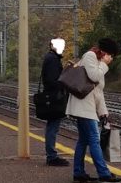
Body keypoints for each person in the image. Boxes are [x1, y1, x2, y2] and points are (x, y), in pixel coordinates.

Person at [66, 38, 121, 182]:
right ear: (106, 52)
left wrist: (103, 111)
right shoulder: (90, 56)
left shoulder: (96, 59)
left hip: (88, 106)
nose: (111, 59)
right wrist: (104, 64)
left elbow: (98, 91)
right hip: (83, 106)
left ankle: (78, 173)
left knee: (83, 140)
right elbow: (94, 76)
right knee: (94, 139)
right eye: (111, 56)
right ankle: (104, 174)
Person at [41, 37, 69, 166]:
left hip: (52, 97)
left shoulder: (51, 58)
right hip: (54, 98)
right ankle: (51, 156)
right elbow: (53, 81)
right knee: (53, 127)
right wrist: (65, 81)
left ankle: (51, 155)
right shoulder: (52, 60)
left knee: (52, 126)